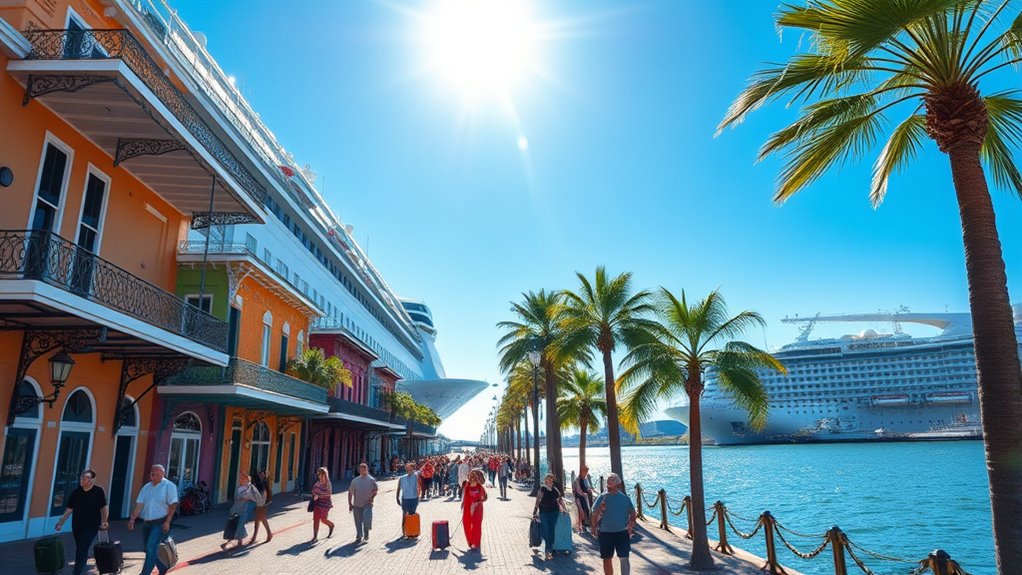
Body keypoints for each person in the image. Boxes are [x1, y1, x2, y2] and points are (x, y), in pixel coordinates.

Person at [55, 469, 109, 575]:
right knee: (81, 548)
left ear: (93, 480)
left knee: (82, 548)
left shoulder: (98, 491)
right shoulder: (76, 493)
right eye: (83, 477)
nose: (84, 480)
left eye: (87, 477)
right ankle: (81, 568)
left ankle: (77, 572)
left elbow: (104, 507)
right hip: (77, 526)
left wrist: (105, 521)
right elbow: (69, 510)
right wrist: (61, 522)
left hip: (92, 526)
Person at [127, 465, 178, 575]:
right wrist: (132, 519)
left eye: (155, 471)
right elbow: (139, 504)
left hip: (160, 522)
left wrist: (167, 522)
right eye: (151, 471)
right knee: (148, 549)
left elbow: (173, 505)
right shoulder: (147, 487)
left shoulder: (169, 486)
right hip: (147, 523)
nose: (152, 473)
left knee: (151, 547)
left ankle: (144, 573)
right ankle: (163, 567)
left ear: (162, 473)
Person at [590, 473, 636, 575]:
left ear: (617, 484)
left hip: (622, 532)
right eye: (608, 481)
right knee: (607, 558)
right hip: (606, 532)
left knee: (624, 557)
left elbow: (632, 512)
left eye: (611, 480)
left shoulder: (624, 498)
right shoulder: (602, 497)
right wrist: (594, 526)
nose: (608, 483)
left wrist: (631, 525)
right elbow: (594, 513)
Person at [221, 470, 260, 551]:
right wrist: (241, 498)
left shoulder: (251, 488)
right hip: (237, 507)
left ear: (247, 479)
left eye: (243, 477)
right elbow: (236, 497)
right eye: (241, 477)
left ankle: (239, 541)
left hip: (246, 508)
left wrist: (247, 499)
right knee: (233, 522)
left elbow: (256, 497)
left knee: (240, 523)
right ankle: (232, 539)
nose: (241, 479)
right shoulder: (239, 487)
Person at [532, 473, 566, 560]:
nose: (550, 480)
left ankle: (552, 549)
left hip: (554, 513)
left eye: (551, 478)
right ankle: (548, 551)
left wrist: (565, 509)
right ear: (545, 480)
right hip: (544, 513)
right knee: (547, 531)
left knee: (552, 531)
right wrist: (535, 511)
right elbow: (538, 500)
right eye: (548, 478)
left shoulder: (555, 489)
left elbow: (560, 499)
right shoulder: (542, 489)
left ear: (553, 480)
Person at [348, 463, 378, 543]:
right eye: (361, 469)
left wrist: (372, 497)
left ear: (367, 470)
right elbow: (350, 492)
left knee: (366, 519)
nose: (363, 471)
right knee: (358, 521)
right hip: (357, 504)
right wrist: (350, 503)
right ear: (359, 470)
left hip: (367, 504)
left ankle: (366, 533)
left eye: (364, 469)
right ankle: (359, 535)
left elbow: (375, 490)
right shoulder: (355, 481)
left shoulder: (372, 480)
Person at [461, 469, 487, 551]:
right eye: (471, 477)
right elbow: (464, 496)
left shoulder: (480, 487)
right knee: (467, 524)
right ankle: (471, 541)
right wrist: (463, 503)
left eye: (474, 478)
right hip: (468, 509)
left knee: (477, 526)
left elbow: (486, 497)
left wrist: (478, 502)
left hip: (478, 509)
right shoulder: (467, 486)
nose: (472, 479)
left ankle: (476, 543)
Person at [310, 467, 335, 542]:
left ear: (325, 475)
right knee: (316, 519)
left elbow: (329, 493)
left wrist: (319, 495)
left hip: (325, 504)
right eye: (319, 475)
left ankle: (331, 525)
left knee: (323, 519)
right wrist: (314, 495)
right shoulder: (317, 483)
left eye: (322, 474)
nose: (320, 476)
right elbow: (313, 491)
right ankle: (315, 537)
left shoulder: (328, 484)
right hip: (317, 503)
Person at [249, 470, 273, 544]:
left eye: (262, 474)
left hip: (262, 504)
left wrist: (264, 504)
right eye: (260, 474)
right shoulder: (257, 484)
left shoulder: (263, 483)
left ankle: (266, 534)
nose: (261, 475)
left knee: (260, 519)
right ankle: (267, 534)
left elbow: (266, 494)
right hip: (259, 504)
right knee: (260, 519)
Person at [573, 465, 596, 534]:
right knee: (582, 510)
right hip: (580, 497)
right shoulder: (578, 479)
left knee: (587, 510)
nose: (586, 472)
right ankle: (583, 525)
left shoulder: (585, 478)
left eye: (587, 471)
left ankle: (586, 524)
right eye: (585, 471)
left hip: (586, 497)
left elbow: (588, 487)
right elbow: (578, 489)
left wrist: (589, 490)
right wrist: (583, 494)